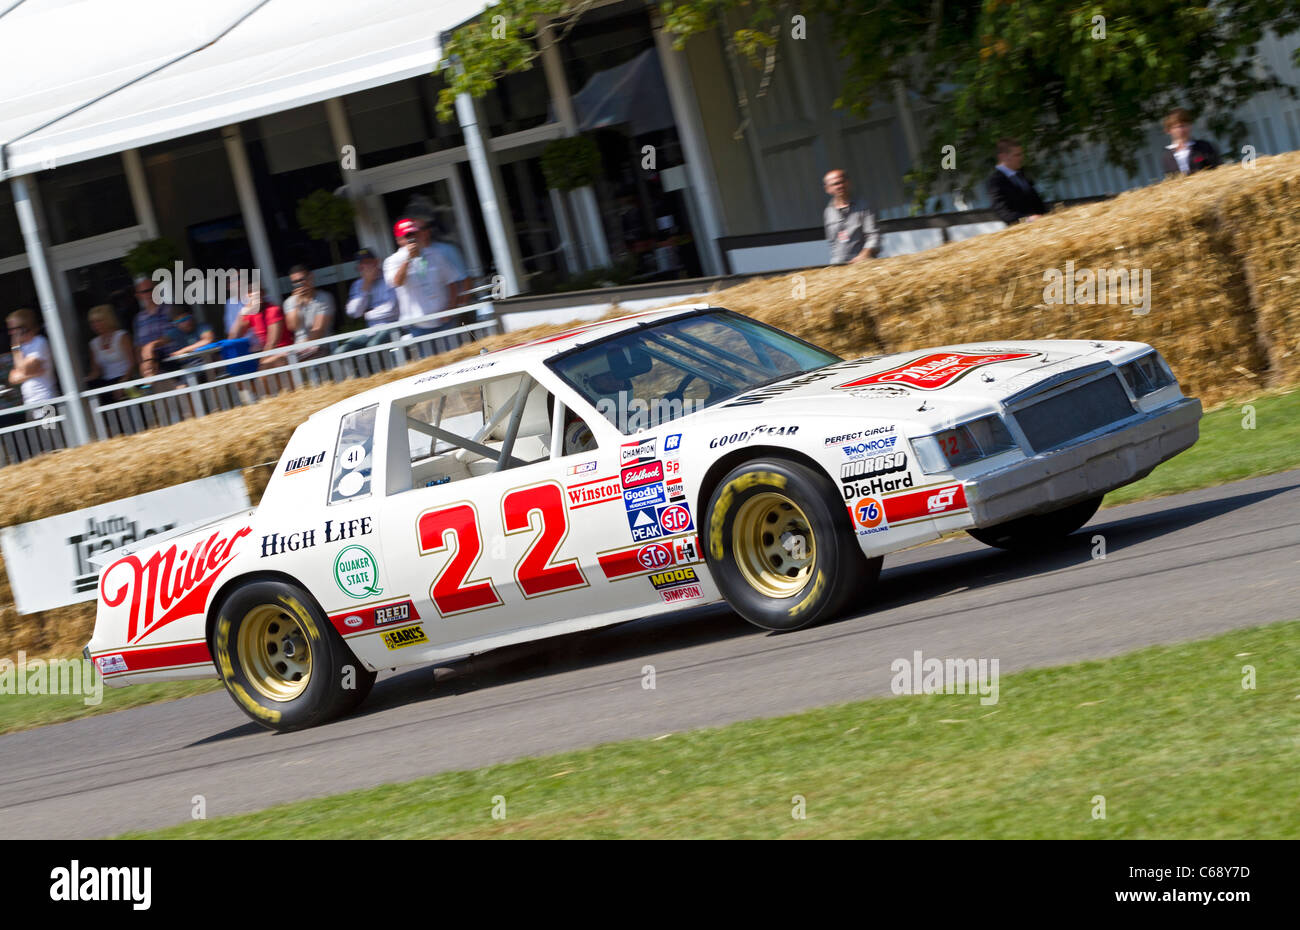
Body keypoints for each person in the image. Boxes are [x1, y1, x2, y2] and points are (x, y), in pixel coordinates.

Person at [383, 218, 459, 354]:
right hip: (419, 326)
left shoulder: (435, 254)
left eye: (414, 234)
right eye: (407, 236)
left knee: (457, 361)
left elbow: (452, 282)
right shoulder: (392, 261)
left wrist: (451, 308)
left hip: (445, 322)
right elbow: (396, 282)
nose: (412, 239)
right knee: (432, 369)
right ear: (399, 240)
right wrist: (408, 259)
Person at [340, 248, 398, 350]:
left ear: (376, 262)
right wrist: (366, 285)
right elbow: (354, 313)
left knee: (373, 345)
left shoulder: (388, 277)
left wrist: (368, 314)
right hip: (371, 331)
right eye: (361, 264)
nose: (364, 267)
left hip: (392, 326)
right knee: (343, 350)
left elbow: (392, 309)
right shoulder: (357, 285)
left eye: (367, 263)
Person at [823, 169, 880, 264]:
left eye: (842, 182)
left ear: (848, 183)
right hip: (839, 266)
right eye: (835, 184)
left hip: (864, 264)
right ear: (828, 189)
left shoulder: (864, 205)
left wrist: (864, 255)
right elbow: (832, 242)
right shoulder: (828, 212)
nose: (840, 186)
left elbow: (873, 236)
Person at [986, 138, 1049, 225]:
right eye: (1017, 155)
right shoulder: (995, 181)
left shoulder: (1021, 173)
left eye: (1021, 154)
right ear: (1003, 157)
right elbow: (1002, 211)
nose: (1021, 158)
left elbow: (1036, 200)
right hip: (1022, 230)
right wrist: (1027, 220)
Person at [6, 308, 59, 410]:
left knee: (50, 427)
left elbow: (24, 369)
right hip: (29, 403)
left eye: (13, 329)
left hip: (46, 401)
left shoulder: (39, 342)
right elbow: (12, 378)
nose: (11, 333)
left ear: (24, 328)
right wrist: (32, 373)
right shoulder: (21, 348)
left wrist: (15, 347)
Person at [283, 265, 334, 358]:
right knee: (270, 364)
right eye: (295, 282)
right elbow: (293, 327)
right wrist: (297, 304)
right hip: (299, 349)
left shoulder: (324, 298)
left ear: (310, 277)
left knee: (284, 361)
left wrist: (298, 349)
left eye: (302, 279)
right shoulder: (290, 302)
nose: (300, 284)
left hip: (321, 346)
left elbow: (318, 330)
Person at [132, 276, 174, 378]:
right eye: (145, 291)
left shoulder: (171, 309)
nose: (150, 293)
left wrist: (152, 345)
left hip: (174, 364)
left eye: (152, 289)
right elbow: (138, 348)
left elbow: (176, 334)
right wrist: (143, 366)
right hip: (153, 372)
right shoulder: (138, 319)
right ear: (138, 295)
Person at [85, 304, 136, 388]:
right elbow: (96, 372)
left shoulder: (122, 336)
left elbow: (132, 364)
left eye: (99, 321)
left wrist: (122, 383)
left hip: (126, 380)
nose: (95, 325)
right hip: (107, 384)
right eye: (92, 322)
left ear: (108, 320)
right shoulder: (93, 343)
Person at [1162, 108, 1220, 176]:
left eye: (1184, 125)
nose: (1182, 130)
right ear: (1169, 130)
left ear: (1190, 126)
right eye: (1177, 127)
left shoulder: (1205, 147)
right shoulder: (1167, 157)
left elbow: (1218, 169)